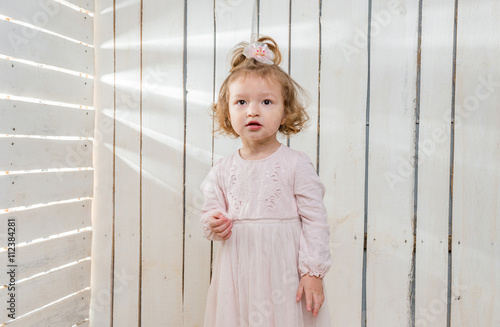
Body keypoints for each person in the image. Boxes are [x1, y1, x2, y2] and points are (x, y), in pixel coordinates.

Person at [200, 35, 332, 327]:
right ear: (227, 111)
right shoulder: (221, 170)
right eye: (241, 102)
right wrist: (214, 223)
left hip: (283, 273)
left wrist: (313, 272)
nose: (252, 110)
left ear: (286, 111)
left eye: (266, 101)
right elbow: (209, 213)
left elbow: (315, 220)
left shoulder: (296, 164)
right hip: (237, 273)